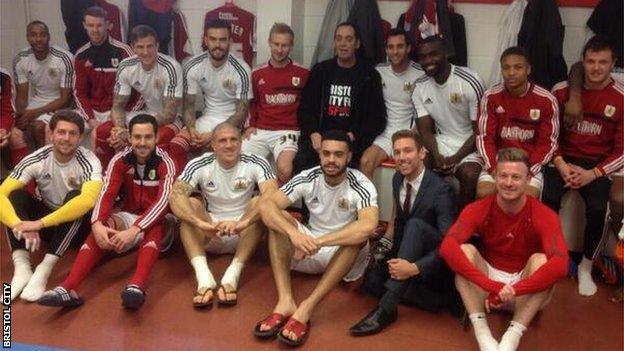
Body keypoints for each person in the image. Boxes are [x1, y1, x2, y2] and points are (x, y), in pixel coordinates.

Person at [38, 114, 178, 309]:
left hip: (161, 219)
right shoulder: (120, 160)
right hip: (129, 215)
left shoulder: (166, 162)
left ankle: (137, 285)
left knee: (156, 225)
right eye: (137, 137)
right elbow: (106, 194)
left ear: (156, 138)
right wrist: (96, 224)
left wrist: (135, 229)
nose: (142, 142)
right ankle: (67, 288)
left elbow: (163, 202)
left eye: (148, 137)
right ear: (130, 137)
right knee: (104, 226)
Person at [255, 130, 378, 347]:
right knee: (278, 219)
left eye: (338, 154)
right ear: (320, 154)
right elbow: (266, 206)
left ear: (349, 157)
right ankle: (285, 301)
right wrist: (294, 234)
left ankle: (306, 308)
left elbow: (369, 225)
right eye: (326, 153)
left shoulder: (361, 183)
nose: (331, 160)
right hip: (307, 246)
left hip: (340, 254)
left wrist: (319, 242)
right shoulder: (308, 176)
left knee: (358, 236)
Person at [440, 148, 568, 351]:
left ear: (528, 179)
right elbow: (447, 248)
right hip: (488, 284)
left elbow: (561, 264)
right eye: (503, 176)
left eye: (516, 177)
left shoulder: (545, 215)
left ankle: (512, 336)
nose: (509, 183)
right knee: (464, 251)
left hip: (525, 289)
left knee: (541, 261)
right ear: (494, 177)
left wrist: (513, 290)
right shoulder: (478, 208)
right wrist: (491, 286)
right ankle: (482, 333)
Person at [350, 129, 457, 336]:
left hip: (432, 263)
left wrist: (415, 268)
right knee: (371, 283)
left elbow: (448, 244)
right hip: (407, 248)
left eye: (407, 151)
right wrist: (383, 249)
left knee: (416, 225)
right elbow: (398, 221)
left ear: (422, 153)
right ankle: (432, 300)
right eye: (397, 152)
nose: (401, 158)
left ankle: (386, 309)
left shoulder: (442, 190)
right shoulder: (398, 179)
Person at [546, 36, 623, 296]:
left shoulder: (621, 97)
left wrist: (594, 174)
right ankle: (548, 257)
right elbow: (549, 135)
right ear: (583, 62)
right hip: (563, 158)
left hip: (598, 164)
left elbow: (622, 149)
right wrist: (560, 163)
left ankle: (586, 266)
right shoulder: (561, 91)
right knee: (548, 196)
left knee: (598, 207)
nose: (596, 68)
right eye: (591, 61)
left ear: (613, 63)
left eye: (603, 62)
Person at [170, 122, 277, 307]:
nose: (229, 145)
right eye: (223, 141)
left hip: (244, 233)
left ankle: (232, 275)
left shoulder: (257, 162)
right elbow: (175, 196)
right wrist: (201, 224)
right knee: (190, 206)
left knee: (260, 202)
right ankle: (204, 278)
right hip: (210, 231)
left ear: (241, 142)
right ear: (213, 145)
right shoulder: (199, 163)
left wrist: (243, 224)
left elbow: (272, 194)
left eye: (234, 139)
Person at [0, 110, 102, 302]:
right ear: (51, 134)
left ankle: (44, 270)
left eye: (72, 133)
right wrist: (18, 224)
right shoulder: (37, 159)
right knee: (15, 195)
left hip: (79, 229)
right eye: (61, 132)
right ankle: (22, 268)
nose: (66, 138)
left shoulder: (89, 161)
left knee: (77, 197)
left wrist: (38, 224)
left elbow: (88, 201)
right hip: (49, 224)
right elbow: (1, 194)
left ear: (80, 137)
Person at [294, 22, 386, 173]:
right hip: (320, 137)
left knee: (348, 174)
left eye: (349, 39)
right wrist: (313, 133)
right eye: (339, 39)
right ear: (334, 43)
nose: (343, 44)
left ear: (357, 44)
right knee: (301, 163)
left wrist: (354, 135)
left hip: (352, 140)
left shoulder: (369, 75)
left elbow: (378, 118)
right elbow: (305, 109)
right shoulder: (320, 71)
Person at [412, 36, 485, 209]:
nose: (428, 61)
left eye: (433, 54)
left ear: (445, 53)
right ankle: (426, 219)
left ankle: (460, 227)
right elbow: (425, 131)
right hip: (441, 141)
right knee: (417, 165)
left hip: (470, 144)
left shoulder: (469, 81)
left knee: (469, 175)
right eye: (422, 57)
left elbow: (480, 131)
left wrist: (455, 158)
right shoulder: (419, 87)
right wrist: (437, 155)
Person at [96, 25, 183, 169]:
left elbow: (169, 114)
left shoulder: (171, 67)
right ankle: (107, 178)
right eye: (140, 47)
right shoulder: (126, 66)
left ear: (157, 46)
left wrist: (131, 132)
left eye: (150, 46)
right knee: (104, 131)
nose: (146, 52)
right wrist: (119, 130)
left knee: (155, 138)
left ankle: (152, 182)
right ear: (133, 47)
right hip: (147, 113)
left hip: (173, 119)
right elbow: (117, 106)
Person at [476, 46, 559, 199]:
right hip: (498, 160)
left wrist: (529, 170)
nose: (511, 73)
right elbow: (485, 138)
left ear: (528, 69)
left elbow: (548, 144)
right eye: (506, 68)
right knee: (484, 193)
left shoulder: (546, 100)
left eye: (518, 67)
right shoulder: (491, 97)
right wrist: (494, 168)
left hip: (529, 163)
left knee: (528, 197)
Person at [170, 19, 252, 159]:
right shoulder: (193, 66)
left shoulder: (242, 69)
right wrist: (192, 130)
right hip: (207, 117)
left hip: (232, 122)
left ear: (230, 41)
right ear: (205, 40)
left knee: (217, 148)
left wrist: (214, 134)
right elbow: (188, 106)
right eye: (213, 39)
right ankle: (185, 180)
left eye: (222, 40)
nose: (218, 45)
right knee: (177, 145)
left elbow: (241, 113)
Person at [242, 22, 309, 184]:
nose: (279, 50)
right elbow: (252, 103)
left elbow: (310, 106)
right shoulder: (257, 73)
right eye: (276, 44)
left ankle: (277, 206)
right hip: (261, 130)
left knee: (285, 169)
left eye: (284, 45)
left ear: (291, 45)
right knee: (238, 160)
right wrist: (249, 125)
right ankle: (247, 204)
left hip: (288, 131)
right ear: (269, 42)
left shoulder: (304, 73)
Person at [359, 29, 423, 179]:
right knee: (365, 161)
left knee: (404, 170)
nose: (395, 51)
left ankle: (400, 204)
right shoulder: (378, 71)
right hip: (385, 134)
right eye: (391, 47)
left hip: (409, 132)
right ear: (386, 49)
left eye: (400, 46)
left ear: (408, 48)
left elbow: (425, 113)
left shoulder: (421, 74)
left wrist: (413, 137)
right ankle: (368, 203)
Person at [74, 6, 136, 152]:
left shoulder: (124, 51)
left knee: (103, 133)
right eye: (90, 25)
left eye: (99, 25)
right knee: (58, 127)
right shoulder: (81, 55)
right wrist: (90, 118)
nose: (95, 30)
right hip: (92, 112)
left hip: (119, 111)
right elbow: (79, 93)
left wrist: (119, 115)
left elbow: (136, 91)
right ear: (84, 25)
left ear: (108, 25)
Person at [13, 20, 74, 149]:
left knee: (38, 126)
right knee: (24, 127)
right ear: (27, 37)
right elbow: (21, 98)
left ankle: (45, 163)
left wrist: (34, 113)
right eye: (33, 35)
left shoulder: (64, 58)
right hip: (38, 101)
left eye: (43, 34)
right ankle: (33, 163)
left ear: (49, 36)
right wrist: (23, 114)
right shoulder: (20, 59)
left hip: (62, 103)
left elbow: (65, 98)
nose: (38, 39)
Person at [0, 67, 17, 169]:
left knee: (16, 136)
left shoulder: (3, 76)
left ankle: (18, 178)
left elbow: (7, 111)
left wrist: (3, 130)